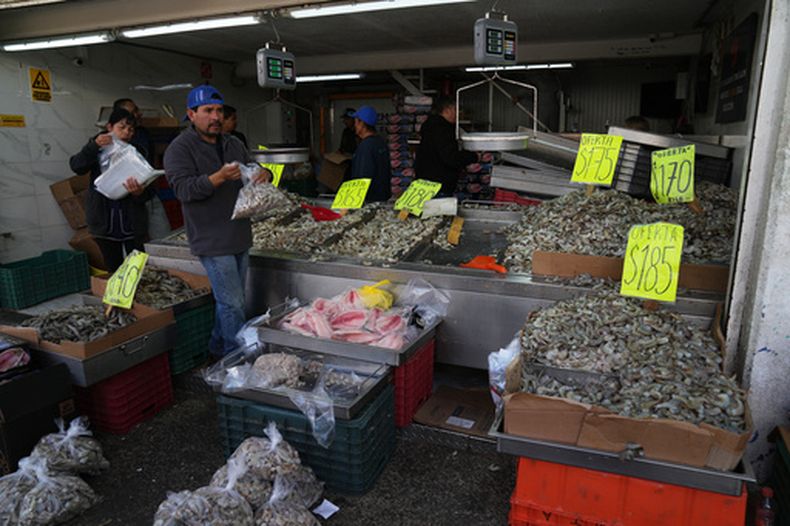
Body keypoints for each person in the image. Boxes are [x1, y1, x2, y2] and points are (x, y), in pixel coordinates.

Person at [163, 85, 270, 357]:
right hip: (210, 238)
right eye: (208, 111)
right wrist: (219, 177)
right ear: (191, 114)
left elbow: (252, 169)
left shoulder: (233, 143)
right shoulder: (179, 149)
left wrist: (263, 173)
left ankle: (216, 348)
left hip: (239, 233)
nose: (216, 117)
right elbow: (183, 190)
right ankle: (236, 358)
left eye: (219, 111)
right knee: (232, 303)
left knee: (232, 301)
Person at [69, 108, 155, 272]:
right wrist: (93, 146)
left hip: (133, 223)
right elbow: (76, 166)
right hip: (103, 222)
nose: (126, 133)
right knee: (114, 269)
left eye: (130, 129)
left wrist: (139, 193)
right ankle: (116, 297)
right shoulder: (97, 148)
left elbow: (151, 189)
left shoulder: (138, 152)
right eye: (121, 127)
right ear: (109, 127)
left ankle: (138, 296)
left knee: (138, 269)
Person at [415, 96, 478, 196]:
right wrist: (473, 156)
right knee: (437, 210)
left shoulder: (430, 126)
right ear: (447, 110)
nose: (458, 114)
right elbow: (450, 157)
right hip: (438, 185)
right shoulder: (443, 129)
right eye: (456, 110)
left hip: (425, 182)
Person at [348, 106, 391, 202]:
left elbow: (363, 176)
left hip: (369, 200)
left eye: (356, 122)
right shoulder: (381, 143)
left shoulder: (366, 146)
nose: (354, 125)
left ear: (361, 123)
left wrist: (354, 200)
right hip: (382, 198)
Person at [113, 98, 153, 163]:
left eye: (131, 129)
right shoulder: (101, 140)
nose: (139, 114)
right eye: (134, 111)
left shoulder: (143, 134)